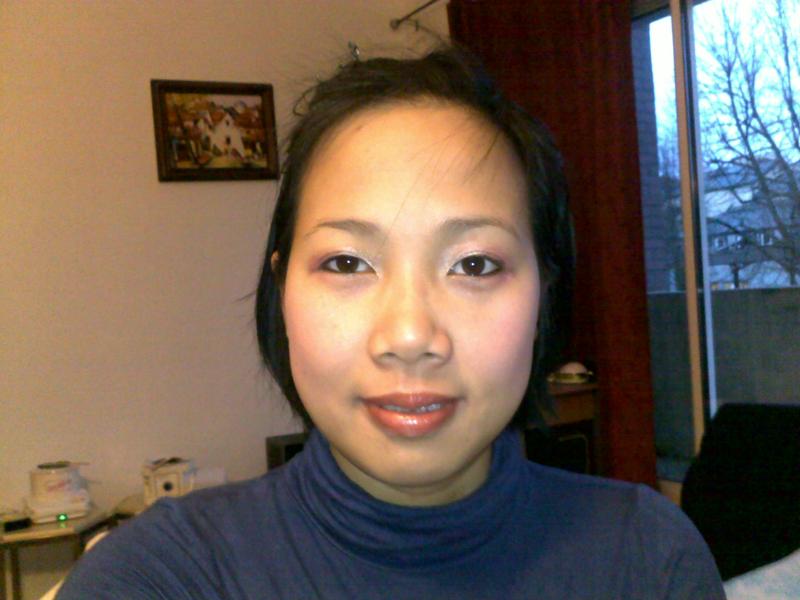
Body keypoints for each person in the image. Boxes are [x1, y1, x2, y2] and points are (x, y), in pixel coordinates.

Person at [57, 47, 725, 599]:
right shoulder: (161, 575)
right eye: (347, 262)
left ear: (542, 298)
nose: (409, 335)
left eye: (474, 265)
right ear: (282, 291)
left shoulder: (648, 559)